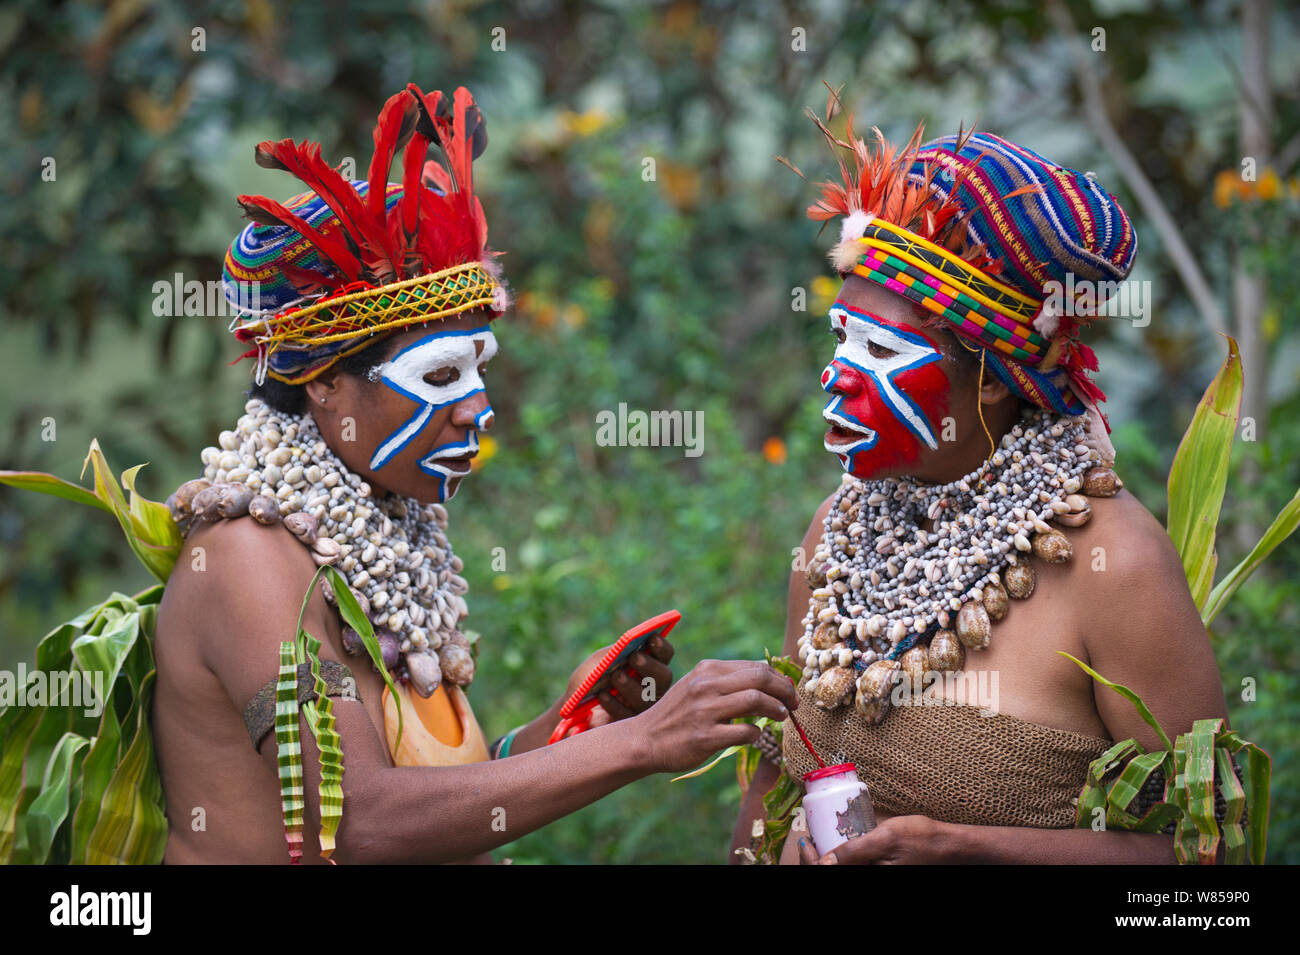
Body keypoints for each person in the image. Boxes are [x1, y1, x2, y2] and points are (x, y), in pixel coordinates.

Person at [152, 83, 796, 864]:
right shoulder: (247, 558)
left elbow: (450, 796)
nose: (478, 409)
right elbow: (361, 823)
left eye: (478, 371)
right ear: (323, 383)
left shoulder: (384, 529)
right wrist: (647, 744)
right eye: (440, 376)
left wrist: (579, 723)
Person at [732, 113, 1230, 864]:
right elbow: (765, 809)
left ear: (995, 380)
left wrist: (972, 850)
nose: (836, 372)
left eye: (880, 348)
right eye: (841, 336)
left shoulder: (1111, 563)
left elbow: (1208, 872)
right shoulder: (835, 537)